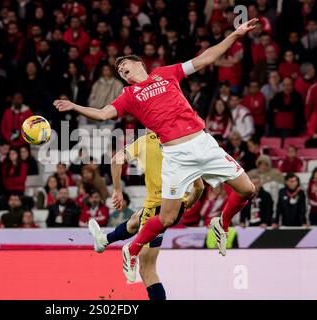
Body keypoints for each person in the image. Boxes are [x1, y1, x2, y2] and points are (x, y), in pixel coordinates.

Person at [54, 19, 257, 281]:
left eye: (124, 66)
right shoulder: (128, 95)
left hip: (203, 143)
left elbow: (205, 58)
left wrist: (235, 35)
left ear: (139, 64)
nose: (122, 71)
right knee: (168, 217)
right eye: (119, 71)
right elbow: (104, 113)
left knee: (247, 189)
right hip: (175, 156)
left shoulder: (165, 73)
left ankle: (222, 223)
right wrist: (75, 106)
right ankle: (132, 248)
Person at [88, 132, 203, 299]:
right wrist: (188, 202)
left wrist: (118, 190)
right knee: (136, 219)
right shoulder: (181, 141)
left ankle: (130, 251)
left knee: (147, 270)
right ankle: (104, 241)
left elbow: (115, 160)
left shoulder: (143, 142)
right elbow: (199, 187)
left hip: (156, 210)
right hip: (174, 208)